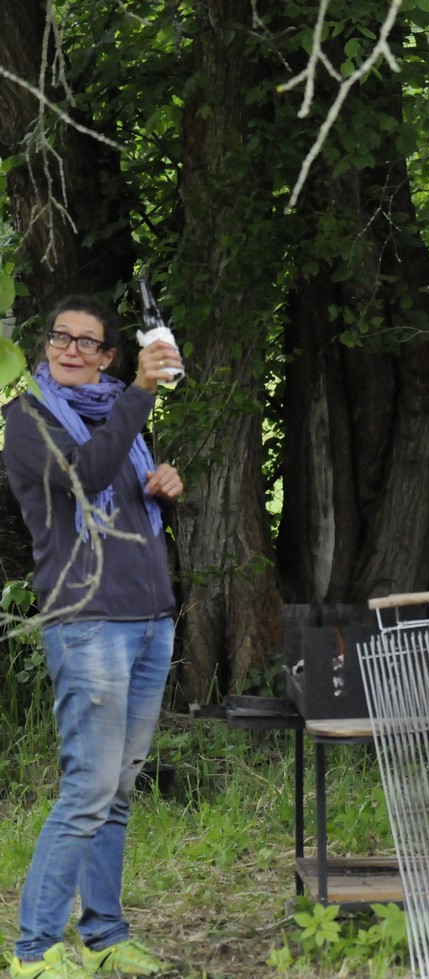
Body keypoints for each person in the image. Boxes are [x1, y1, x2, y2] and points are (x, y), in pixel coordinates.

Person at [2, 295, 184, 978]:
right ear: (46, 346)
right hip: (89, 624)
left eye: (87, 342)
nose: (71, 350)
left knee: (119, 789)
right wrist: (142, 390)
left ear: (107, 355)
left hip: (149, 619)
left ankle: (104, 935)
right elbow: (85, 476)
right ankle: (34, 950)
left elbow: (124, 484)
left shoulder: (119, 418)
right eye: (60, 338)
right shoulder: (27, 420)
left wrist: (163, 486)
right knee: (88, 787)